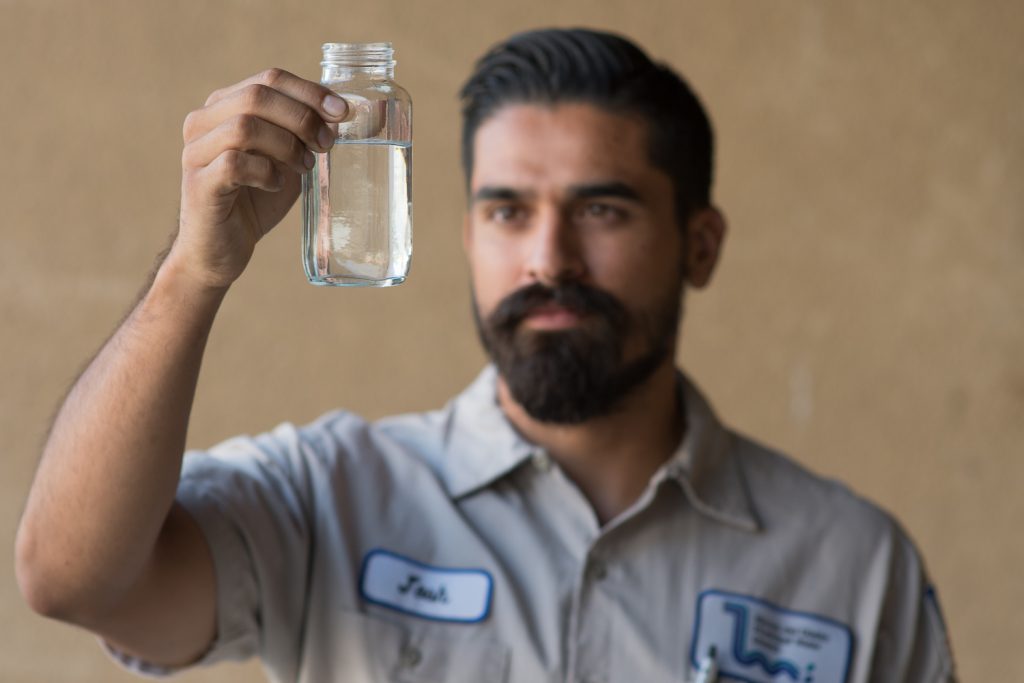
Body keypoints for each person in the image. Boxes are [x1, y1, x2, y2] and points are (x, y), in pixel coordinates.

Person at [15, 28, 956, 683]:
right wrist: (193, 271)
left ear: (700, 245)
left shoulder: (855, 566)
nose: (548, 258)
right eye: (507, 211)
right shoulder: (328, 497)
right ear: (465, 236)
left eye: (602, 209)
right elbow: (70, 578)